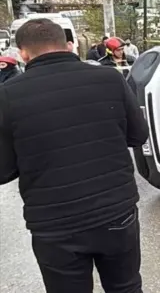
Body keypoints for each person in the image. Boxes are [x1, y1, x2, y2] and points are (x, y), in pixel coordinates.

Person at [0, 19, 149, 292]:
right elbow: (138, 136)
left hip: (55, 225)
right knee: (126, 287)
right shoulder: (109, 78)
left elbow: (3, 170)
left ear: (22, 53)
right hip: (116, 212)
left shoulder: (7, 96)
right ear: (68, 45)